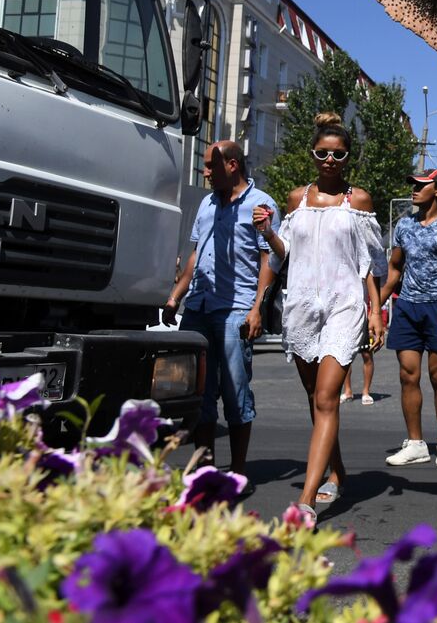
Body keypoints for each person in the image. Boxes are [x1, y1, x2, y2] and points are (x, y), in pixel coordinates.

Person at [256, 113, 386, 525]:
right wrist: (267, 233)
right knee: (317, 400)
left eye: (338, 154)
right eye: (322, 153)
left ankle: (307, 501)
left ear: (347, 158)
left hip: (344, 305)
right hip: (302, 307)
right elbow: (283, 252)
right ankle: (338, 471)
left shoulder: (358, 201)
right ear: (313, 156)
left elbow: (369, 263)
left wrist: (375, 310)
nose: (330, 159)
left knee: (328, 397)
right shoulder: (297, 199)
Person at [162, 141, 278, 478]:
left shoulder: (261, 205)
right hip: (198, 306)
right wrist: (175, 297)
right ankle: (206, 470)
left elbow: (269, 259)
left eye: (211, 166)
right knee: (199, 393)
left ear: (233, 165)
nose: (205, 172)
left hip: (236, 310)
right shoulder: (207, 203)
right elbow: (197, 254)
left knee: (235, 393)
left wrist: (258, 308)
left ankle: (238, 473)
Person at [382, 168, 437, 468]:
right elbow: (394, 271)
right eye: (413, 185)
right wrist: (372, 309)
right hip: (407, 306)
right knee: (408, 375)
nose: (414, 189)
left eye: (421, 185)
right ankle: (416, 444)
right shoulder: (404, 226)